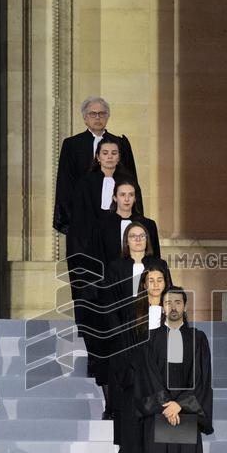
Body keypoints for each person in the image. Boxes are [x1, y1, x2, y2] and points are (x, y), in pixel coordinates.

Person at [137, 287, 214, 453]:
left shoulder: (197, 339)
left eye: (177, 302)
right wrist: (166, 404)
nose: (173, 307)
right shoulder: (150, 339)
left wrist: (180, 405)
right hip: (160, 409)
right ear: (162, 307)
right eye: (168, 302)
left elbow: (202, 378)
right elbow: (147, 376)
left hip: (186, 410)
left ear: (185, 306)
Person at [69, 138, 141, 386]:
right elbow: (77, 225)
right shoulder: (85, 184)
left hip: (121, 256)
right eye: (105, 153)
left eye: (114, 153)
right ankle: (95, 358)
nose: (110, 157)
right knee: (95, 312)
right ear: (97, 156)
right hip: (92, 257)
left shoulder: (128, 184)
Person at [96, 220, 168, 422]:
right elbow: (109, 300)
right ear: (126, 241)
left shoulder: (158, 265)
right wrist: (116, 330)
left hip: (152, 325)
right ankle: (116, 410)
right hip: (124, 328)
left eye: (142, 236)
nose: (138, 240)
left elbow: (166, 293)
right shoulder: (116, 267)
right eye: (133, 236)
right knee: (123, 371)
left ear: (148, 240)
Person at [111, 267, 168, 453]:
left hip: (164, 381)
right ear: (144, 285)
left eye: (159, 280)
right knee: (138, 436)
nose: (155, 284)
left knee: (159, 435)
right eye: (150, 280)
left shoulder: (172, 309)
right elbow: (124, 346)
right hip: (136, 382)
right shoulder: (132, 311)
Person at [53, 96, 137, 236]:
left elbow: (131, 179)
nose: (98, 118)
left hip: (115, 212)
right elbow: (65, 182)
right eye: (93, 114)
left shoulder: (120, 143)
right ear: (85, 118)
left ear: (108, 117)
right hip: (83, 213)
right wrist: (68, 217)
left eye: (102, 114)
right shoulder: (72, 144)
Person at [97, 179, 160, 266]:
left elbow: (155, 257)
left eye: (131, 195)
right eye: (122, 195)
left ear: (135, 199)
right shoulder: (102, 225)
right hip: (111, 277)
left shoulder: (149, 225)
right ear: (115, 198)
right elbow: (99, 256)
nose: (127, 199)